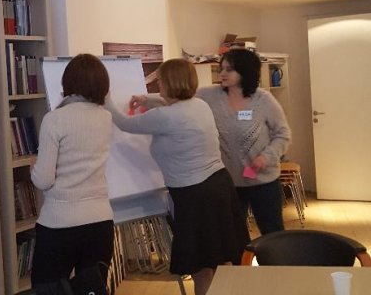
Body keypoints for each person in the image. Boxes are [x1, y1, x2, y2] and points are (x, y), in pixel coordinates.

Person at [104, 58, 249, 295]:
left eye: (160, 81)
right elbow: (172, 105)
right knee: (217, 261)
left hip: (195, 195)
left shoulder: (165, 117)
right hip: (219, 186)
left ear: (170, 82)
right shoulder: (199, 105)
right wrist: (147, 99)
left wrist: (105, 99)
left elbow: (124, 123)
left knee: (201, 267)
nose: (158, 85)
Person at [30, 54, 114, 291]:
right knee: (92, 288)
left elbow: (43, 180)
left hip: (59, 224)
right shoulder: (105, 117)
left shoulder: (54, 119)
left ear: (67, 82)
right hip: (100, 221)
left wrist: (33, 167)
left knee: (48, 288)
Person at [197, 49, 291, 235]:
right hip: (229, 183)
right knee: (232, 235)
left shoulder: (263, 100)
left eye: (229, 69)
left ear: (245, 71)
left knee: (273, 233)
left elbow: (283, 134)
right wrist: (145, 99)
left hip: (263, 181)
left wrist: (267, 157)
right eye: (222, 69)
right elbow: (178, 97)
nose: (222, 74)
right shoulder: (210, 95)